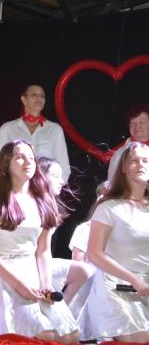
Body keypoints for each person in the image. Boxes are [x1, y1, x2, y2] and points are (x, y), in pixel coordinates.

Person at [0, 140, 78, 342]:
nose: (28, 161)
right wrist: (19, 285)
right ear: (7, 163)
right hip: (1, 275)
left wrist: (47, 284)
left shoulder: (44, 199)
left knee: (68, 336)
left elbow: (43, 250)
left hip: (32, 273)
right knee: (33, 335)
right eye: (20, 157)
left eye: (31, 157)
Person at [86, 141, 149, 342]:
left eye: (146, 160)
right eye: (134, 161)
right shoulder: (109, 207)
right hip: (118, 289)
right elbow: (94, 253)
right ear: (123, 167)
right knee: (141, 337)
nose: (141, 164)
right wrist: (135, 280)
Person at [38, 157, 95, 340]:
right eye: (55, 176)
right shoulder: (31, 205)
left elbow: (44, 250)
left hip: (42, 261)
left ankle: (62, 310)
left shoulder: (52, 207)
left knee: (85, 270)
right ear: (40, 178)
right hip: (26, 266)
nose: (62, 181)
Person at [0, 84, 70, 182]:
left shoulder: (55, 130)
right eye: (34, 95)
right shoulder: (7, 129)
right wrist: (9, 188)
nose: (39, 98)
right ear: (24, 100)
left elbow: (64, 170)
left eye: (42, 96)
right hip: (14, 193)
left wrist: (48, 188)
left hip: (44, 193)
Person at [107, 105, 149, 181]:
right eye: (133, 123)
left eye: (142, 122)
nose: (137, 126)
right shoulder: (120, 153)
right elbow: (112, 183)